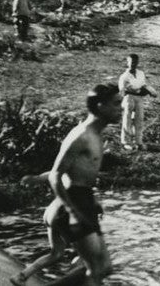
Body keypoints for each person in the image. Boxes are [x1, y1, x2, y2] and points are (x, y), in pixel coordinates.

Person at [44, 83, 123, 285]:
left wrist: (92, 200)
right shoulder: (81, 136)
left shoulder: (97, 135)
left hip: (84, 199)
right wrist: (72, 211)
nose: (121, 108)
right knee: (96, 269)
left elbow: (81, 174)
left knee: (103, 267)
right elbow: (55, 174)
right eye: (116, 104)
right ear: (99, 106)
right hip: (73, 202)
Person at [10, 198, 76, 285]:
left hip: (53, 210)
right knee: (85, 256)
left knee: (56, 254)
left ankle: (22, 276)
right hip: (66, 212)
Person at [118, 54, 157, 151]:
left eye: (135, 62)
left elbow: (143, 85)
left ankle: (138, 142)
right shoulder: (124, 76)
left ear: (137, 63)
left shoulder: (140, 73)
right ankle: (126, 142)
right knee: (127, 119)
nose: (133, 64)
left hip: (139, 98)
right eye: (131, 62)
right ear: (127, 63)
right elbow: (122, 92)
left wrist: (149, 91)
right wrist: (135, 91)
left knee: (139, 119)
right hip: (128, 99)